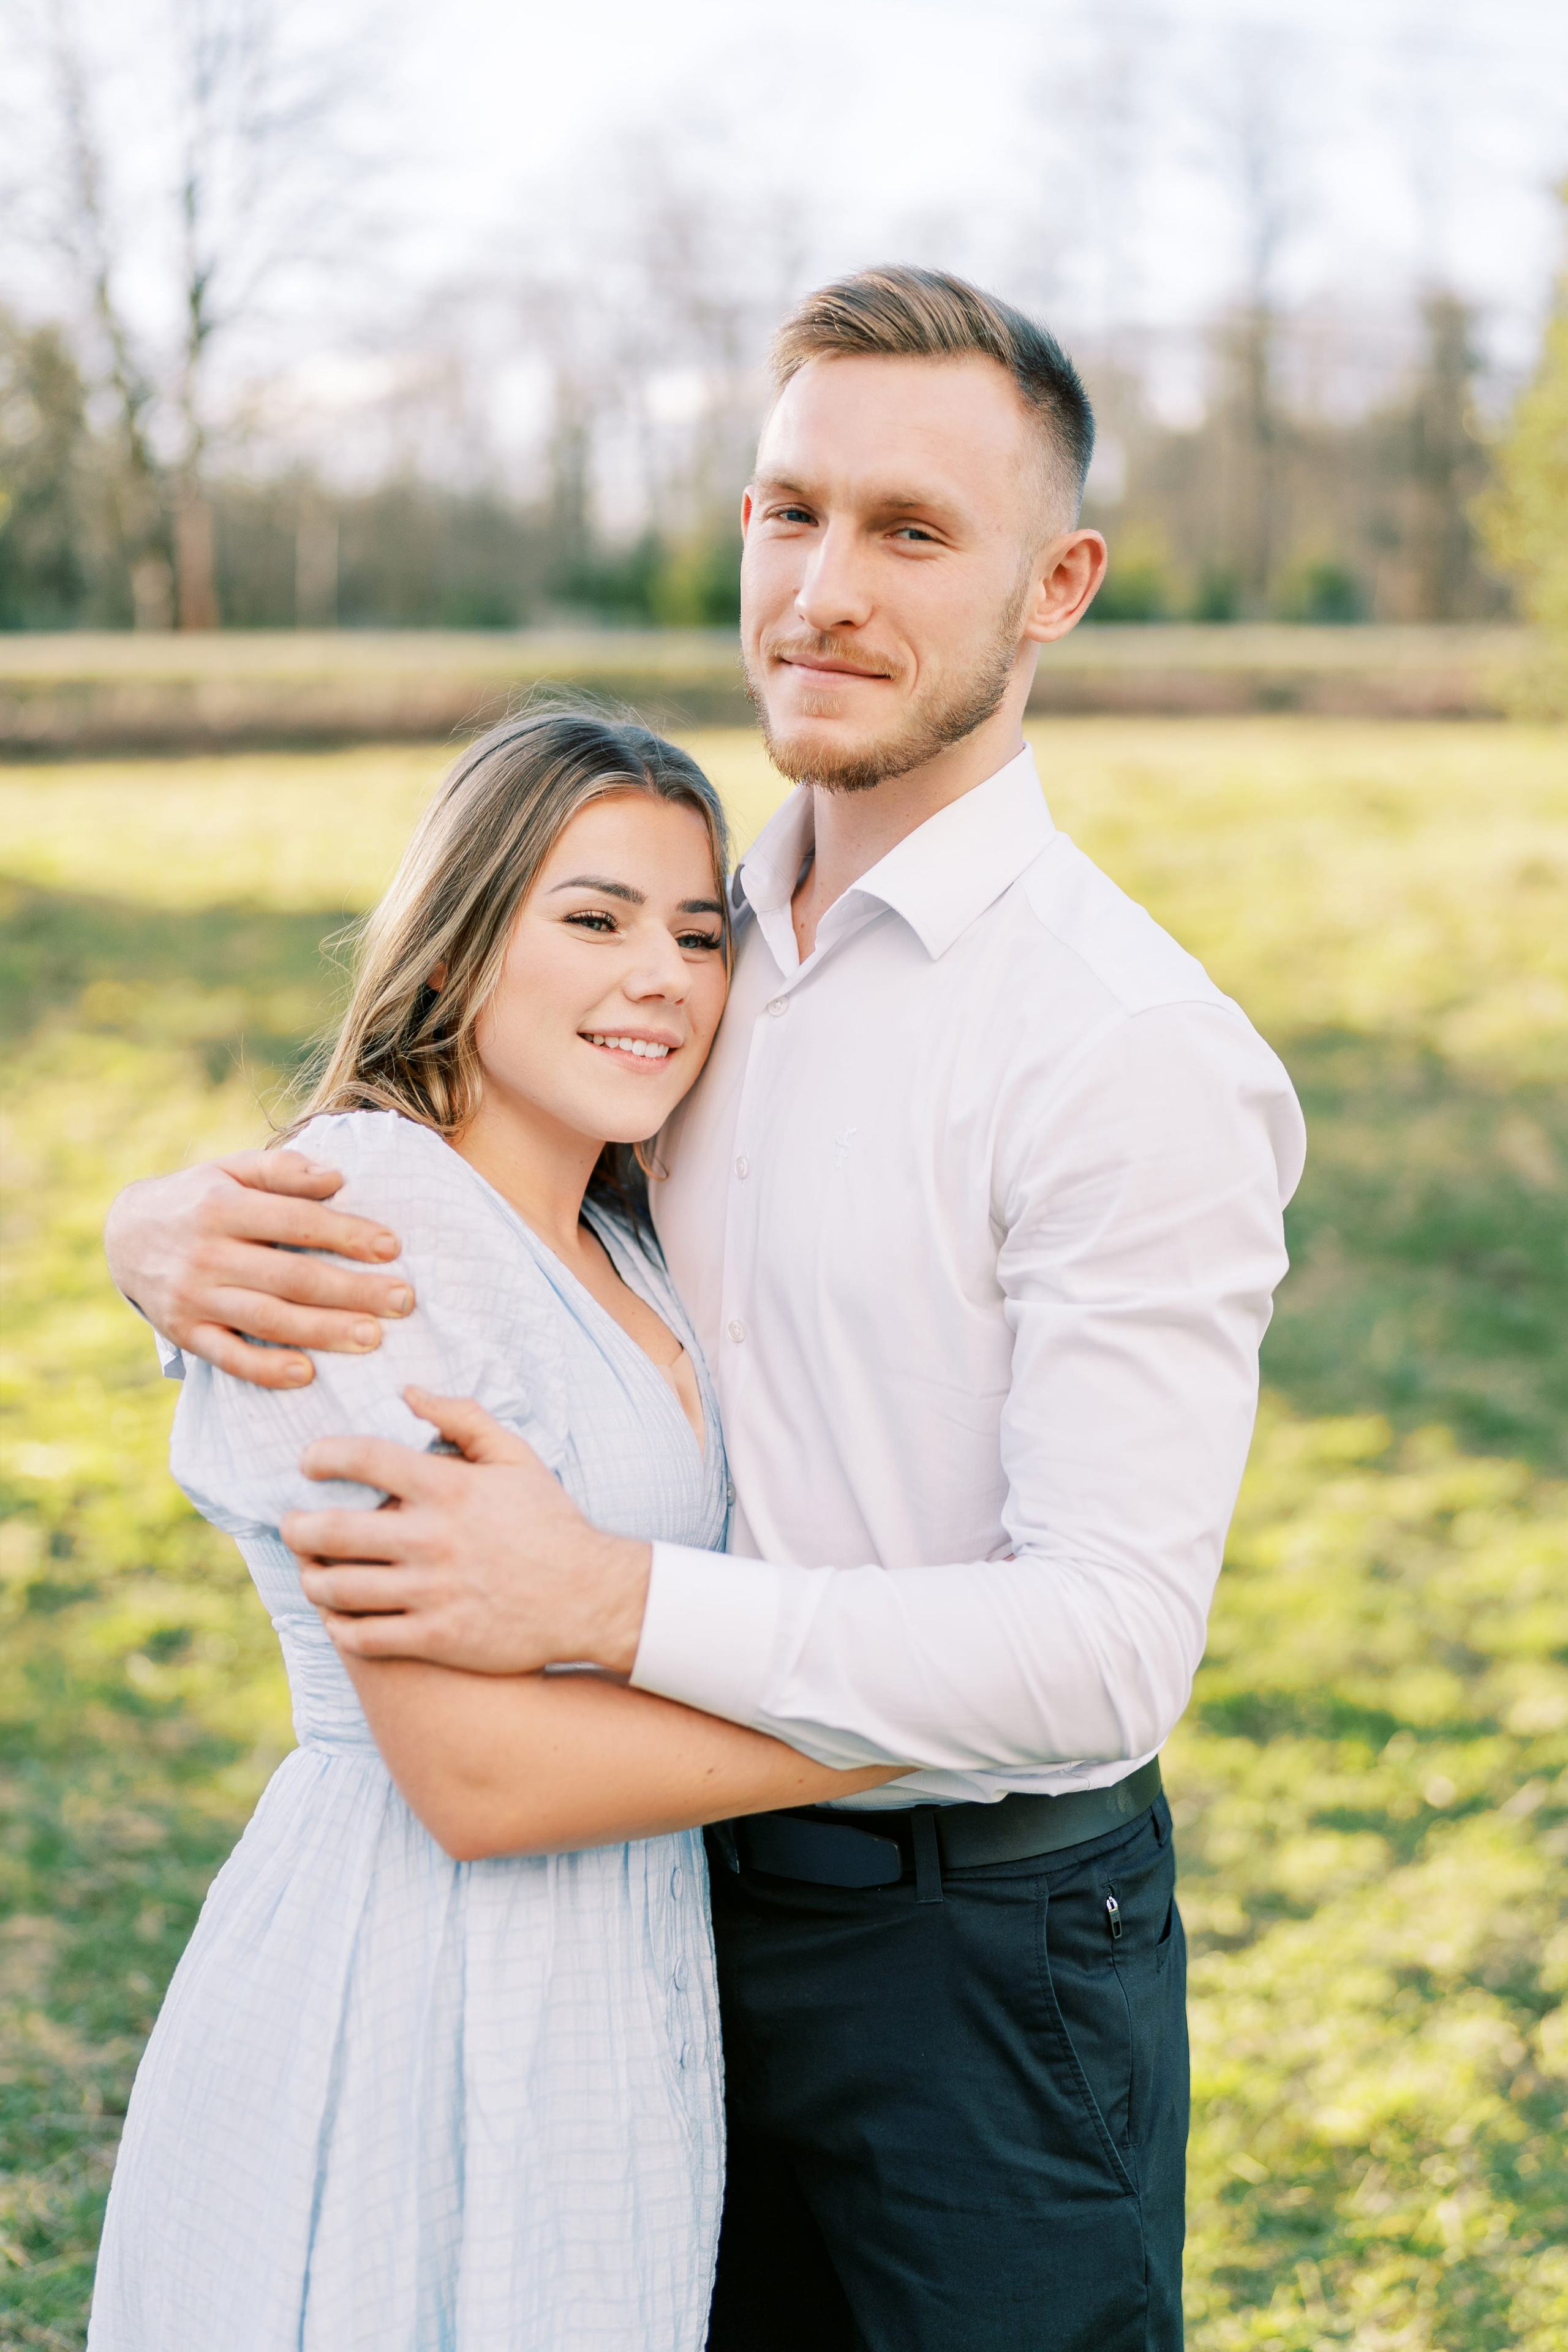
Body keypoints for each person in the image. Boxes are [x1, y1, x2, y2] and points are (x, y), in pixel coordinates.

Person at [107, 267, 1308, 2351]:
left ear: (1060, 585)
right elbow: (461, 1201)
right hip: (631, 1919)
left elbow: (1112, 1647)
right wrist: (167, 1227)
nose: (826, 587)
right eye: (790, 511)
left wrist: (605, 1603)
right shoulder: (686, 958)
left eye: (915, 533)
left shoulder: (1122, 1050)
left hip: (976, 1957)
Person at [88, 709, 902, 2352]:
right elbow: (472, 1772)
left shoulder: (634, 1235)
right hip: (406, 1976)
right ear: (457, 951)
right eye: (592, 918)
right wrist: (905, 1726)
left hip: (622, 1969)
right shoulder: (362, 1230)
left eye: (696, 934)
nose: (663, 974)